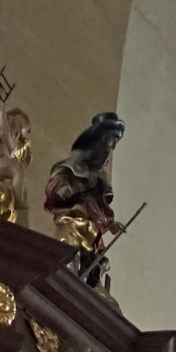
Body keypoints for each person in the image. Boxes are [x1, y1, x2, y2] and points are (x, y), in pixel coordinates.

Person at [44, 112, 125, 289]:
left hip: (92, 234)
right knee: (67, 261)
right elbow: (58, 179)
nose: (109, 151)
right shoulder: (76, 162)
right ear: (99, 140)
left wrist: (108, 223)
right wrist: (61, 189)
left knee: (92, 272)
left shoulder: (98, 179)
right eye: (110, 142)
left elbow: (97, 206)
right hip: (73, 224)